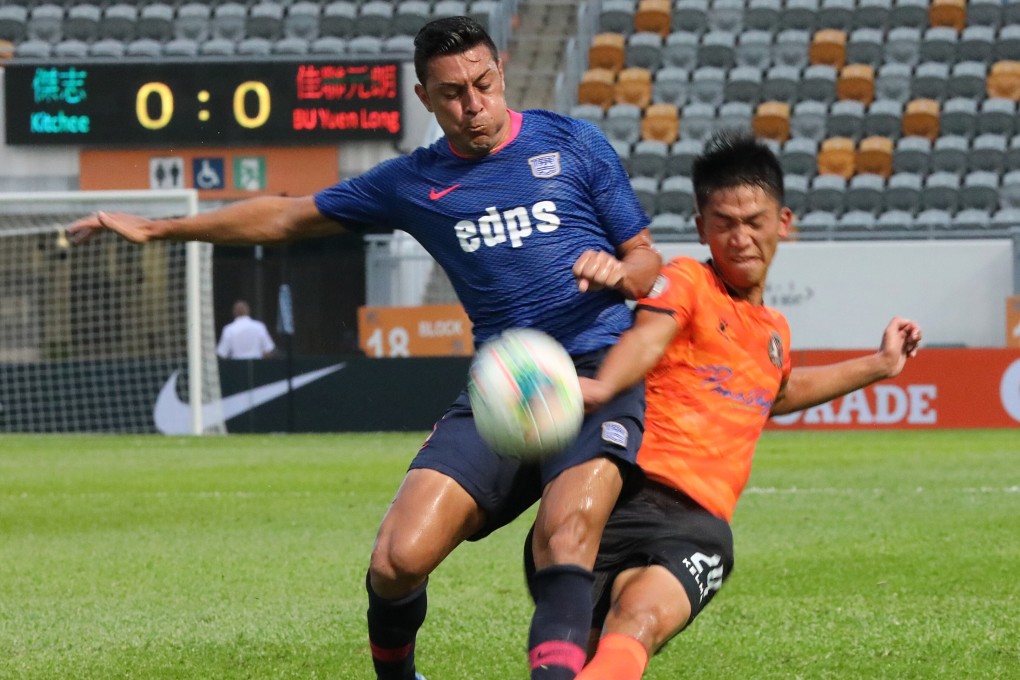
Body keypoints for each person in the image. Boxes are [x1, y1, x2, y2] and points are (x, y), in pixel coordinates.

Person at [67, 16, 662, 680]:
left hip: (598, 371)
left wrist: (620, 272)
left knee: (564, 537)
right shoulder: (413, 182)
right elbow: (288, 215)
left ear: (502, 72)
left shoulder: (573, 142)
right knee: (395, 562)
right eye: (452, 94)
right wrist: (157, 228)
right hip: (502, 386)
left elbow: (644, 260)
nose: (472, 106)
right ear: (424, 99)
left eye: (483, 85)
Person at [525, 133, 922, 680]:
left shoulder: (775, 330)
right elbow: (647, 336)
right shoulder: (687, 280)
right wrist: (601, 386)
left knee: (637, 619)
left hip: (695, 523)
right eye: (724, 223)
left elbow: (777, 393)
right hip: (615, 499)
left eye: (753, 221)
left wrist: (879, 364)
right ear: (701, 228)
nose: (739, 238)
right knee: (587, 660)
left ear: (783, 222)